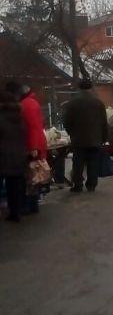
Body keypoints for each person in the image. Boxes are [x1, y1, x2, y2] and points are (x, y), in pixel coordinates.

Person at [6, 82, 47, 214]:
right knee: (32, 176)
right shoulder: (31, 102)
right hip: (35, 143)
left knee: (30, 176)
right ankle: (32, 205)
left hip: (31, 145)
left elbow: (33, 127)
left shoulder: (27, 104)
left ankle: (29, 205)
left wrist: (33, 147)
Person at [62, 79, 108, 193]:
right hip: (95, 139)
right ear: (91, 88)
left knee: (78, 163)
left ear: (79, 88)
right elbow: (104, 122)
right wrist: (104, 138)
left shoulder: (72, 103)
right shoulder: (98, 103)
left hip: (78, 139)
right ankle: (91, 185)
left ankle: (77, 185)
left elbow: (67, 121)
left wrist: (71, 133)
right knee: (93, 163)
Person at [0, 90, 27, 222]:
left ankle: (13, 211)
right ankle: (18, 210)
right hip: (19, 153)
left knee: (9, 185)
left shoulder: (2, 117)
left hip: (4, 155)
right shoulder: (19, 117)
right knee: (16, 183)